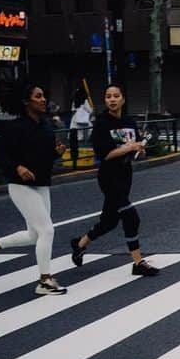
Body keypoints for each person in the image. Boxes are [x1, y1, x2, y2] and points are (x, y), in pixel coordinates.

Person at [69, 84, 160, 276]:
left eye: (116, 96)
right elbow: (104, 154)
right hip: (109, 176)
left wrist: (139, 150)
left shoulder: (129, 122)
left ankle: (80, 243)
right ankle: (137, 262)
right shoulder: (102, 123)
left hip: (126, 175)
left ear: (122, 99)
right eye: (108, 96)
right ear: (105, 100)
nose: (112, 99)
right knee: (130, 216)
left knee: (109, 221)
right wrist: (129, 148)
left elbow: (135, 148)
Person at [0, 82, 69, 295]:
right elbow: (0, 155)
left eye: (44, 96)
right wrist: (18, 167)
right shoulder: (15, 127)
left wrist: (57, 153)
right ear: (27, 101)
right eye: (38, 96)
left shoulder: (46, 126)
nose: (43, 99)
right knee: (47, 230)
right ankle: (44, 281)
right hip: (20, 186)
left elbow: (44, 156)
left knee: (35, 235)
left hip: (42, 184)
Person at [69, 87, 93, 164]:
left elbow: (72, 111)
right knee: (88, 131)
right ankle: (85, 147)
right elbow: (90, 110)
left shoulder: (74, 101)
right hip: (84, 120)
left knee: (77, 135)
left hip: (75, 119)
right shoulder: (85, 101)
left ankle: (76, 156)